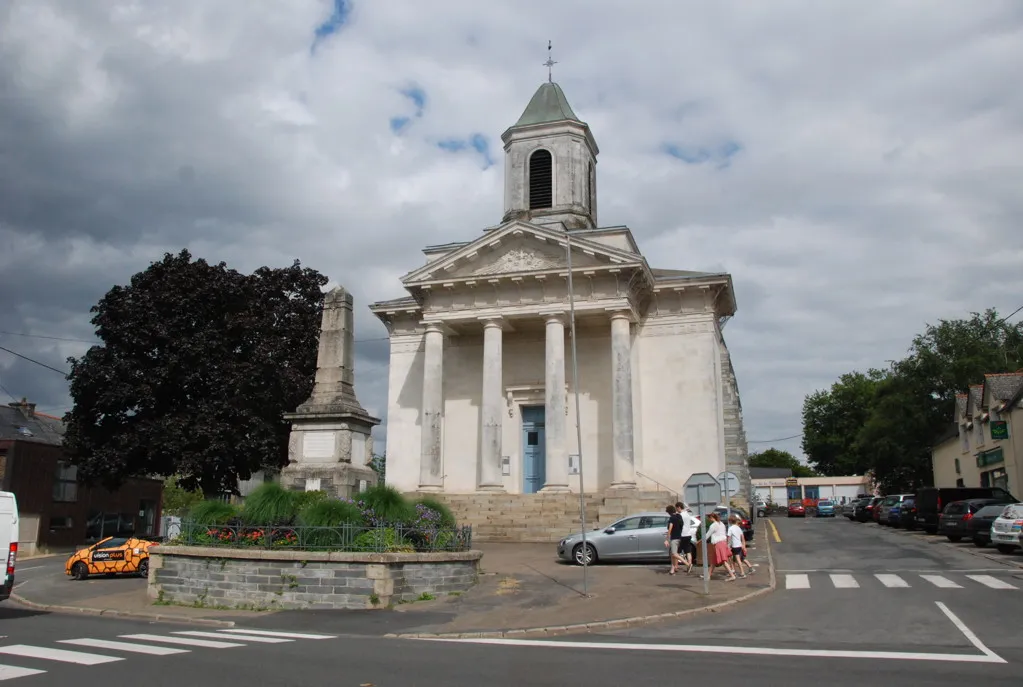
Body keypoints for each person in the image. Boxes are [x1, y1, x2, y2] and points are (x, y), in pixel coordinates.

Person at [706, 512, 737, 581]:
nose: (708, 520)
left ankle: (732, 576)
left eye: (709, 518)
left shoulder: (713, 525)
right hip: (723, 542)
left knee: (723, 561)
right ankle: (708, 576)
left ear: (711, 518)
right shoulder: (722, 524)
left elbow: (707, 535)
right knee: (713, 561)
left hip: (718, 544)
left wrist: (700, 540)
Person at [675, 501, 695, 574]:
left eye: (676, 508)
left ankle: (676, 567)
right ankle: (690, 564)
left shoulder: (680, 515)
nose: (676, 510)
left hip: (682, 535)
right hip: (688, 534)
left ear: (679, 507)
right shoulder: (687, 514)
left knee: (677, 552)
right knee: (688, 551)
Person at [665, 505, 685, 574]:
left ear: (669, 512)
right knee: (673, 554)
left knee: (674, 554)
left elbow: (670, 529)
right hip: (679, 537)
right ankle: (673, 568)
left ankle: (688, 564)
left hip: (674, 538)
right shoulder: (679, 516)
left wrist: (666, 539)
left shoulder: (672, 518)